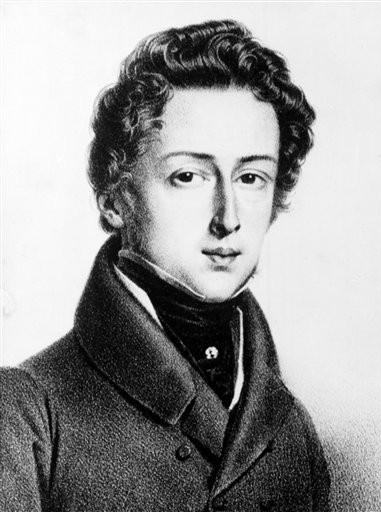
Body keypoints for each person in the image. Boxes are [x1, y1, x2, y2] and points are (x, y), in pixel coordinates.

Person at [1, 19, 330, 512]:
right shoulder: (28, 414)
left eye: (251, 177)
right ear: (115, 197)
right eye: (188, 176)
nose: (228, 219)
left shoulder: (292, 434)